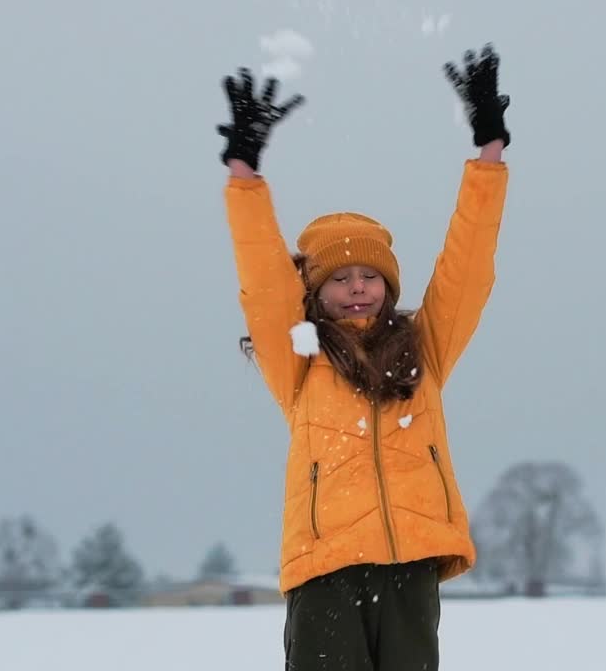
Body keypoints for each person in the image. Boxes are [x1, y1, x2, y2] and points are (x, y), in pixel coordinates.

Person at [219, 43, 512, 670]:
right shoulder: (299, 357)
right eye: (339, 278)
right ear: (316, 294)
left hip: (410, 567)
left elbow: (467, 270)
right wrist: (245, 173)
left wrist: (488, 155)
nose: (357, 287)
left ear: (389, 286)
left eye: (370, 275)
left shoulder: (424, 350)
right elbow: (264, 281)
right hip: (326, 569)